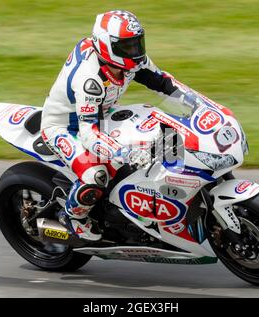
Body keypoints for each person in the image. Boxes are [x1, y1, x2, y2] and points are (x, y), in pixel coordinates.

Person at [41, 10, 206, 241]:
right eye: (127, 46)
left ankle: (164, 202)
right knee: (95, 176)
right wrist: (122, 152)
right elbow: (89, 133)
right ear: (107, 47)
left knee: (163, 129)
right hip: (65, 127)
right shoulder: (90, 79)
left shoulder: (126, 61)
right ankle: (73, 218)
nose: (135, 51)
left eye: (137, 43)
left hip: (103, 114)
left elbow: (163, 82)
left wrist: (198, 102)